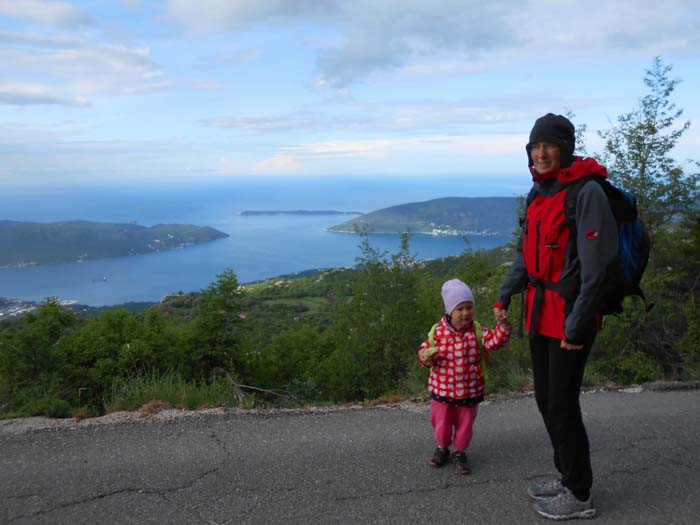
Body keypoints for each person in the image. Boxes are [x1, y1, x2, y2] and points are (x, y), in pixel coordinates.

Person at [494, 113, 618, 520]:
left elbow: (597, 270)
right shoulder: (539, 194)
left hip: (570, 316)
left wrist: (579, 323)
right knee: (546, 400)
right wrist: (505, 293)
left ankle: (579, 494)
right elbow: (524, 254)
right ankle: (567, 476)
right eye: (535, 146)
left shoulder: (586, 193)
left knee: (563, 404)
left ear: (565, 148)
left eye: (549, 145)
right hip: (539, 312)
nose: (541, 152)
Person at [418, 278, 511, 475]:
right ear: (450, 311)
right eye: (460, 309)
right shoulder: (438, 332)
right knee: (441, 423)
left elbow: (495, 342)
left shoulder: (478, 332)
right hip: (442, 390)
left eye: (469, 307)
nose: (466, 313)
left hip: (469, 390)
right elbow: (424, 351)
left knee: (465, 426)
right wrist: (426, 358)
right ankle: (442, 448)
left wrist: (502, 326)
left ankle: (460, 452)